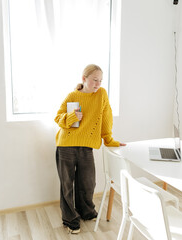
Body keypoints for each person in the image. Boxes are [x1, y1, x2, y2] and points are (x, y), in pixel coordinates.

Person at [54, 64, 126, 234]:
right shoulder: (73, 95)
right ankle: (70, 219)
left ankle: (86, 212)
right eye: (94, 80)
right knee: (67, 185)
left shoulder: (101, 95)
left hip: (86, 146)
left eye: (100, 80)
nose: (98, 84)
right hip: (66, 145)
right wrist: (71, 117)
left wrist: (109, 139)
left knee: (87, 182)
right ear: (84, 79)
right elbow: (58, 117)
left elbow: (106, 117)